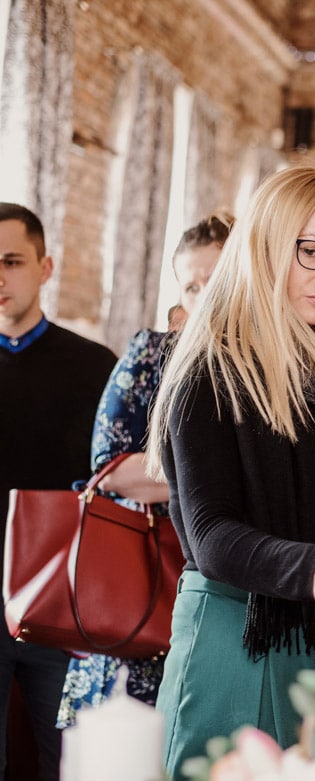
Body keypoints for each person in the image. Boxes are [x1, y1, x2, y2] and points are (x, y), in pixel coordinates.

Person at [143, 165, 315, 778]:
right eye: (312, 251)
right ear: (265, 247)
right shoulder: (211, 367)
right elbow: (211, 535)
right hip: (241, 639)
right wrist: (314, 566)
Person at [56, 212, 233, 729]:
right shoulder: (152, 353)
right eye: (191, 285)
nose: (202, 296)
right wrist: (213, 479)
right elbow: (108, 468)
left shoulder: (270, 368)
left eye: (215, 280)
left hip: (239, 593)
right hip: (145, 585)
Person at [0, 202, 118, 780]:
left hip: (64, 603)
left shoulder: (96, 367)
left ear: (45, 268)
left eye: (11, 261)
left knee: (68, 763)